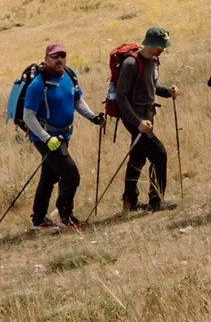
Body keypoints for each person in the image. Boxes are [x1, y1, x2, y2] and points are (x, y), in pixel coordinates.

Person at [21, 43, 104, 230]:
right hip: (45, 138)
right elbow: (28, 116)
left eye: (62, 55)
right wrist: (45, 138)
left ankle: (39, 220)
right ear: (46, 59)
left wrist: (92, 117)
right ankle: (66, 217)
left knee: (49, 177)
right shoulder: (38, 84)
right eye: (55, 56)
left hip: (64, 134)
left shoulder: (70, 74)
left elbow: (77, 100)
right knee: (71, 175)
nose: (59, 59)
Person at [108, 26, 177, 212]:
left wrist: (167, 92)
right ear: (150, 44)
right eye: (160, 46)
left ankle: (130, 202)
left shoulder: (154, 60)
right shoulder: (131, 64)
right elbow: (121, 97)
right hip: (134, 118)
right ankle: (156, 201)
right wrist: (137, 123)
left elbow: (151, 85)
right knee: (159, 154)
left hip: (146, 116)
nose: (162, 50)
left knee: (137, 158)